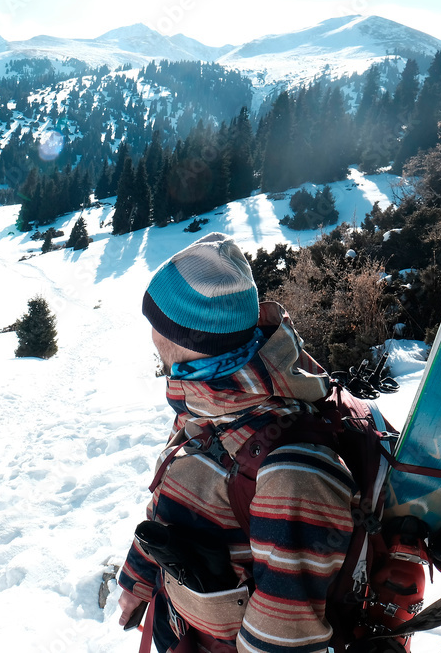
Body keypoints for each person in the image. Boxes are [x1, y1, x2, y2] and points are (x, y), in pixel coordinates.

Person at [117, 232, 355, 653]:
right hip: (181, 629)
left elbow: (285, 633)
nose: (151, 336)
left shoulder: (293, 470)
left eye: (158, 325)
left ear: (187, 341)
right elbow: (172, 501)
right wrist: (138, 581)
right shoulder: (208, 405)